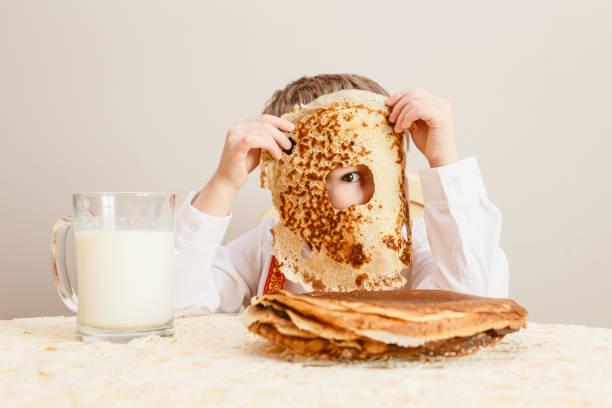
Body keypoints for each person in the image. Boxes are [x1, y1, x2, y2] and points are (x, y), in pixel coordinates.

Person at [173, 74, 509, 316]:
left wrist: (443, 159)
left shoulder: (417, 246)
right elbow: (176, 300)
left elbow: (476, 301)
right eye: (346, 177)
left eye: (362, 175)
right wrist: (222, 185)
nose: (362, 198)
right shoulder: (270, 248)